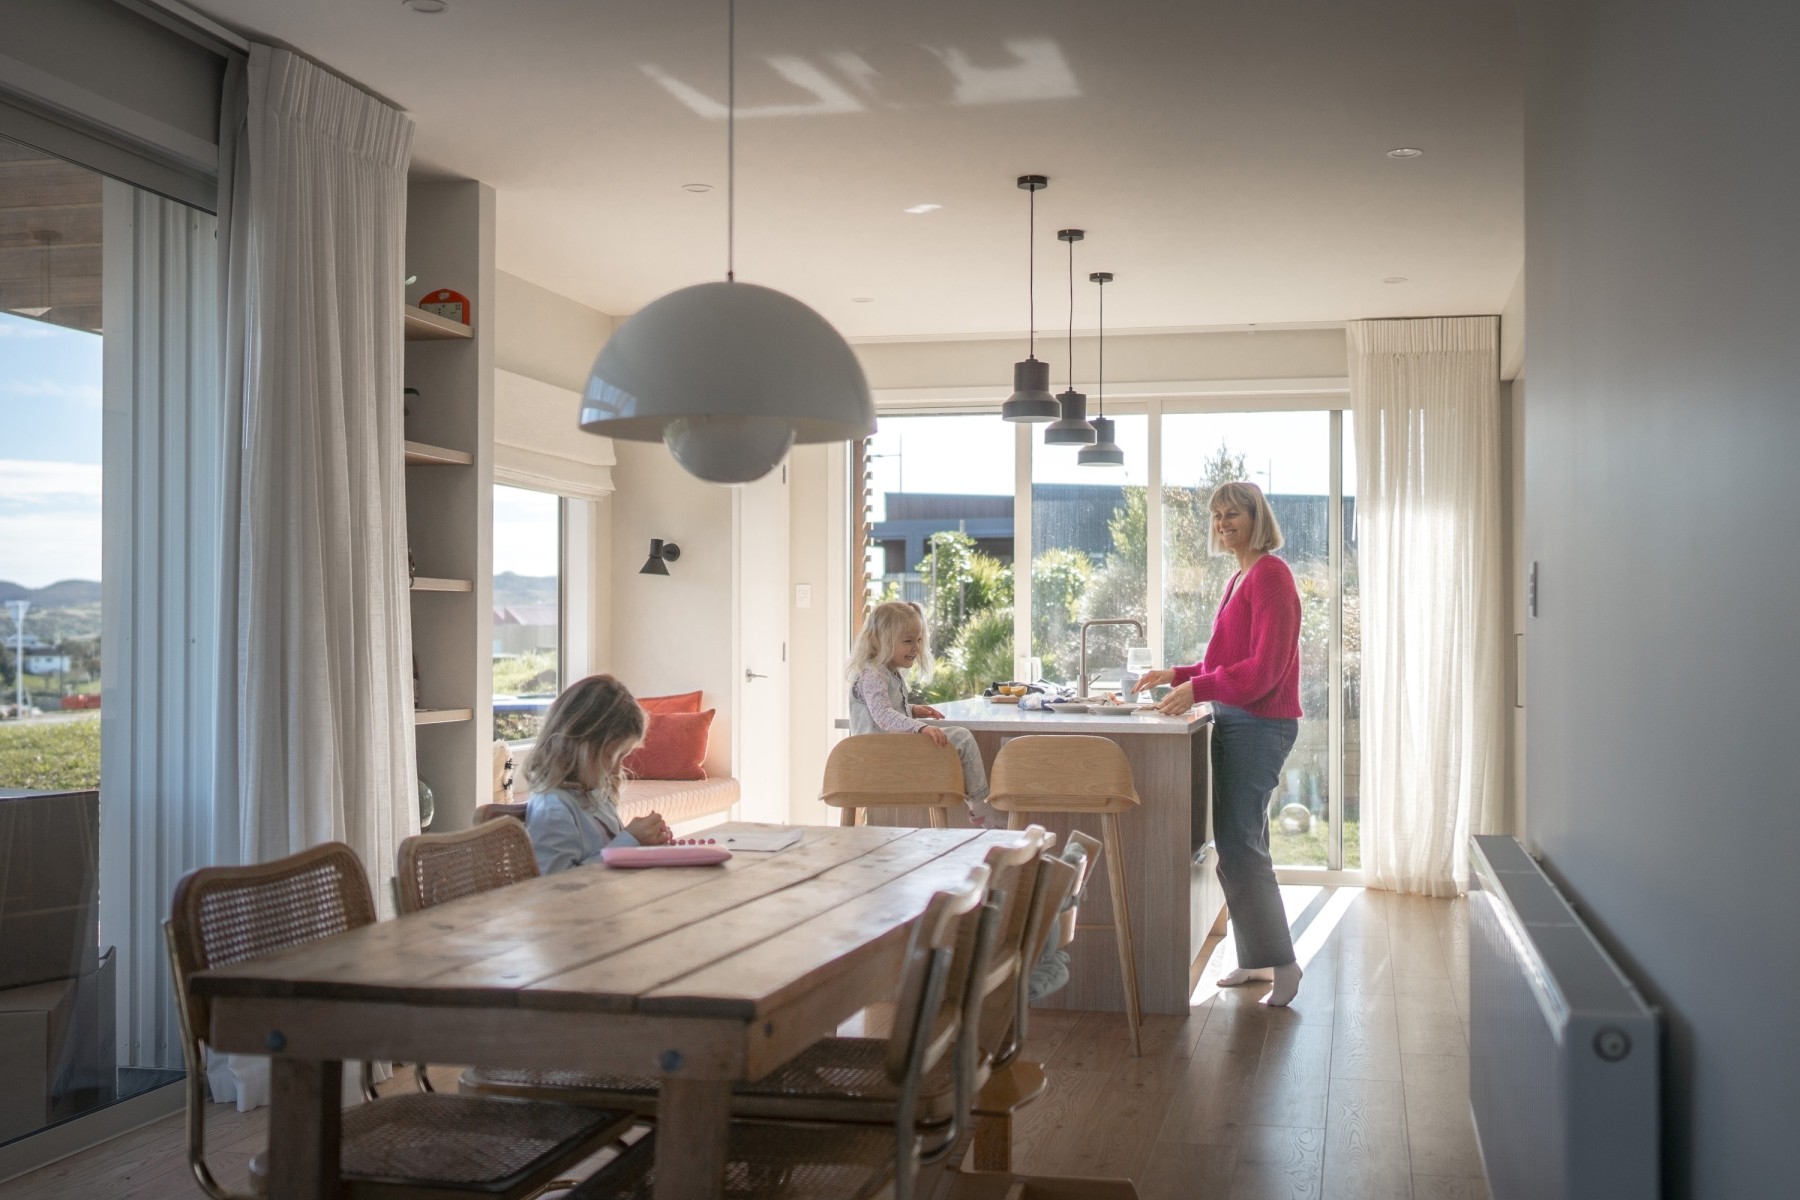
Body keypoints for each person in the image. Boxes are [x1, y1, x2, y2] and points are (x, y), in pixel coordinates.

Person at [1131, 481, 1305, 1006]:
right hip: (1239, 720)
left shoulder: (1271, 576)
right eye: (1218, 515)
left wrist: (1197, 688)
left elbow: (1263, 671)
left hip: (1259, 724)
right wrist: (1177, 672)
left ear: (1258, 519)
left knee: (1239, 848)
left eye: (1234, 514)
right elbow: (1225, 663)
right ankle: (1258, 963)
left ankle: (1286, 965)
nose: (1223, 522)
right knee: (1242, 844)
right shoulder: (1241, 577)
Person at [847, 600, 1003, 827]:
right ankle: (980, 805)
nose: (916, 647)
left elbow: (882, 711)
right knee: (962, 737)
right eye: (908, 641)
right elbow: (882, 715)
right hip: (878, 758)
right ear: (882, 641)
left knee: (957, 740)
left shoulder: (887, 673)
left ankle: (978, 804)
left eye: (919, 640)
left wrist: (910, 710)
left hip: (886, 754)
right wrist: (920, 726)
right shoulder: (872, 675)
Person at [521, 674, 671, 874]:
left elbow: (607, 856)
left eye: (623, 757)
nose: (617, 770)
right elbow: (555, 886)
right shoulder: (553, 808)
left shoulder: (595, 793)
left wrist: (646, 844)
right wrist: (630, 841)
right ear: (578, 747)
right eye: (611, 755)